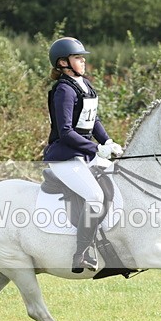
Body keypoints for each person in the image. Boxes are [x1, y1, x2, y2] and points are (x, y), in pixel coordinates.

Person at [44, 37, 123, 273]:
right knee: (95, 197)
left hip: (84, 154)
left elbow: (93, 120)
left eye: (82, 57)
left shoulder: (84, 85)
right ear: (63, 63)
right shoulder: (64, 91)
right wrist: (97, 149)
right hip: (65, 156)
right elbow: (66, 132)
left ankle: (111, 242)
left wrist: (107, 140)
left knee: (122, 179)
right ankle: (80, 254)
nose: (83, 61)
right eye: (78, 57)